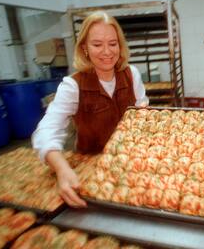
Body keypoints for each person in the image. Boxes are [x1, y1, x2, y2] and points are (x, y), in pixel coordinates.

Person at [32, 11, 148, 208]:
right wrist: (61, 169)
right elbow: (46, 131)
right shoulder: (73, 85)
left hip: (132, 165)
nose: (107, 52)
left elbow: (143, 114)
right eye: (97, 44)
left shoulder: (132, 75)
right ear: (84, 48)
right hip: (92, 169)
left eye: (113, 44)